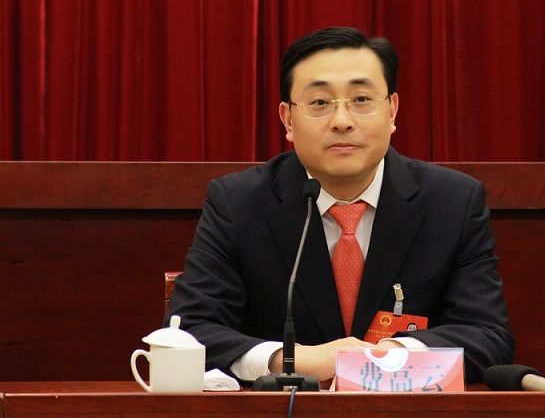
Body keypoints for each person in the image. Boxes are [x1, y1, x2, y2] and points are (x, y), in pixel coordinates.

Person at [165, 27, 514, 385]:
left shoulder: (452, 203)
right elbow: (189, 330)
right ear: (288, 119)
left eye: (361, 99)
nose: (342, 121)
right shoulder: (238, 203)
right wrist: (290, 360)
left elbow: (487, 336)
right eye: (320, 103)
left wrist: (392, 357)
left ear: (392, 110)